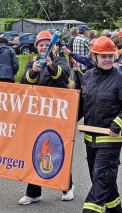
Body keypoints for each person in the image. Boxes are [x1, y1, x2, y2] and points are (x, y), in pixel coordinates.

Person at [81, 36, 122, 213]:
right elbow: (82, 106)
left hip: (110, 142)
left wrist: (117, 124)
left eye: (110, 56)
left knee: (99, 185)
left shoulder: (121, 80)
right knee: (105, 183)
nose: (107, 60)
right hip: (90, 141)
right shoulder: (87, 77)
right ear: (94, 57)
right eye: (103, 56)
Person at [18, 31, 73, 205]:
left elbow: (64, 76)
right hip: (37, 115)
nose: (43, 47)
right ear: (37, 47)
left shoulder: (60, 61)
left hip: (57, 114)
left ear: (54, 46)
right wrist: (33, 72)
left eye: (47, 44)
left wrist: (50, 66)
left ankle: (67, 186)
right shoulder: (32, 63)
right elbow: (23, 83)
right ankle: (33, 193)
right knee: (35, 151)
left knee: (57, 150)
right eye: (41, 44)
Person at [72, 24, 90, 89]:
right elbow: (91, 51)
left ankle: (77, 99)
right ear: (84, 31)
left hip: (76, 66)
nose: (88, 32)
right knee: (85, 86)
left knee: (77, 86)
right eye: (88, 31)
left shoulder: (75, 39)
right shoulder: (85, 40)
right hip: (83, 67)